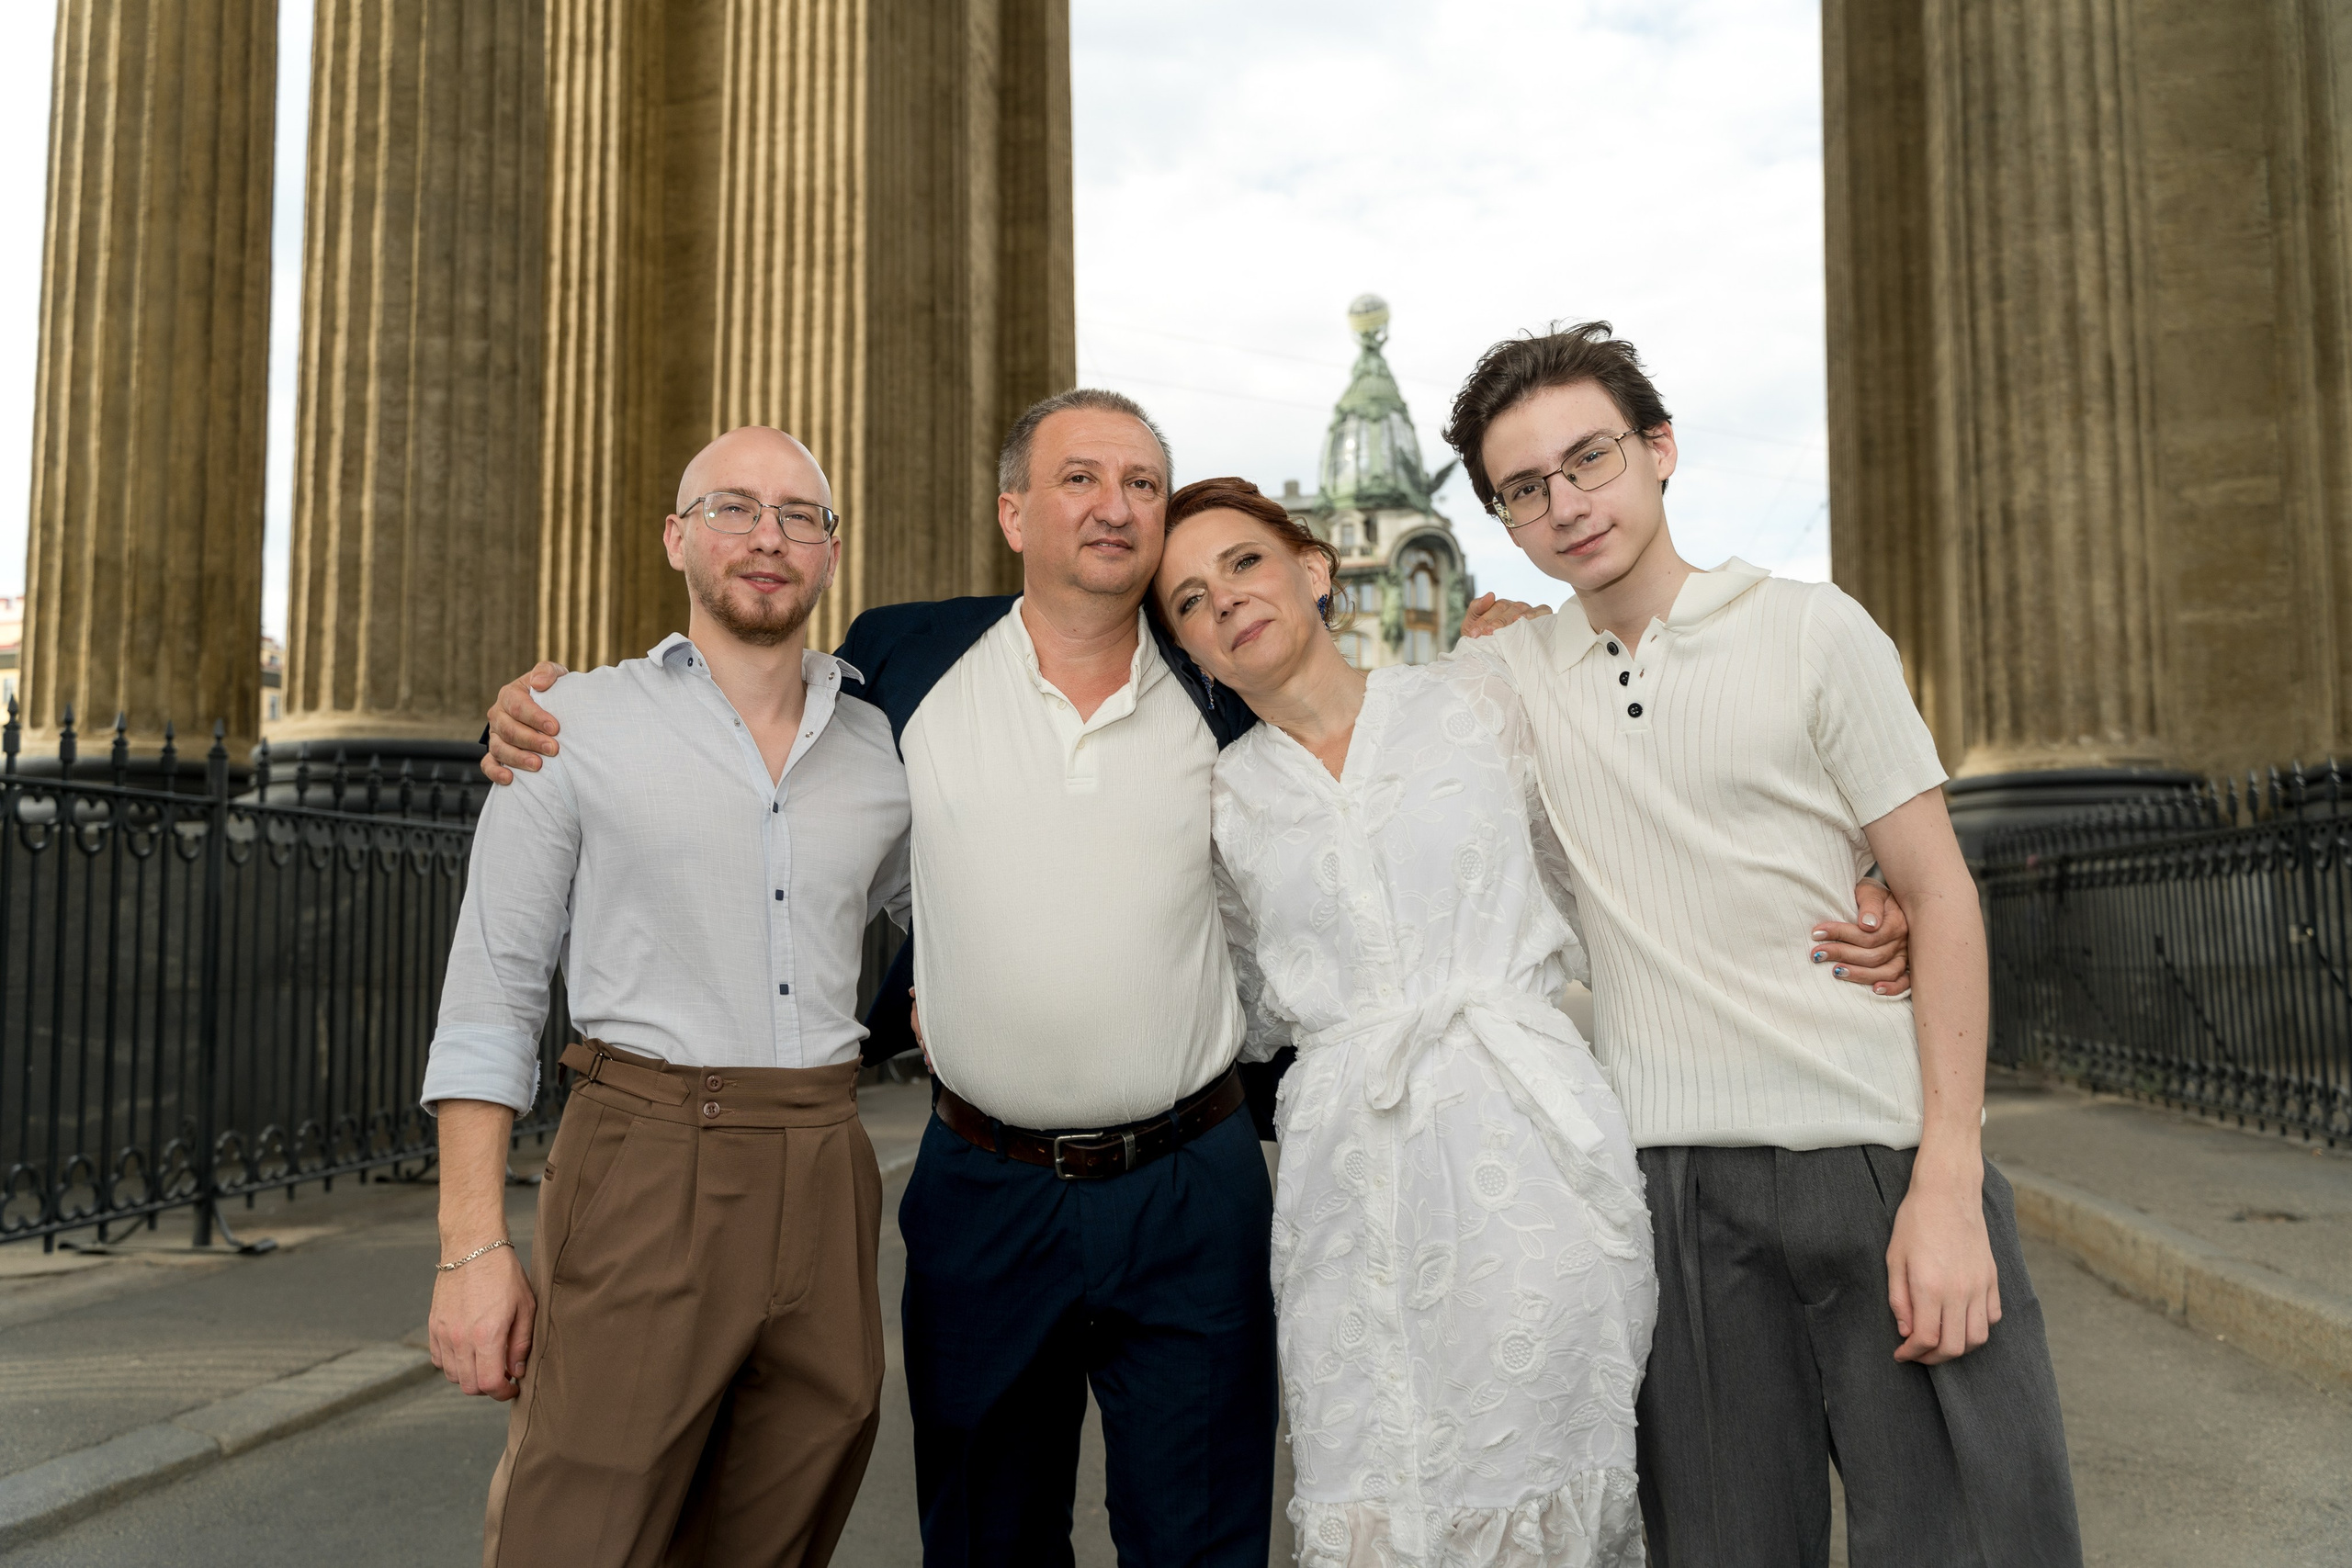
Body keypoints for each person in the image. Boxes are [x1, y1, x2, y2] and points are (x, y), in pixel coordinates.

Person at [477, 389, 1914, 1567]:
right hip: (982, 1190)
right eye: (1080, 477)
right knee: (985, 1534)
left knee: (1209, 1533)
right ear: (1014, 512)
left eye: (1144, 486)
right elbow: (754, 748)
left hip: (1195, 1182)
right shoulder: (898, 666)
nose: (1117, 507)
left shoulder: (1226, 684)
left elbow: (1593, 792)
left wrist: (1865, 869)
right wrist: (568, 714)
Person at [1444, 322, 2083, 1567]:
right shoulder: (1505, 679)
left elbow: (1937, 892)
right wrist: (1481, 636)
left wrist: (1948, 1180)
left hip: (1876, 1152)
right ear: (1502, 517)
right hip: (1669, 1184)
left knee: (1970, 1535)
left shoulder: (1811, 628)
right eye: (1527, 488)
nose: (1569, 504)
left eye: (1593, 458)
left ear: (1661, 448)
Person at [423, 426, 911, 1568]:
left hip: (825, 1158)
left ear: (831, 555)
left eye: (801, 516)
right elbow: (490, 991)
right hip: (645, 1151)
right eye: (734, 508)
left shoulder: (879, 751)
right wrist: (470, 1249)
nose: (767, 537)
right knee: (578, 1529)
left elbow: (961, 927)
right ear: (677, 538)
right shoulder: (570, 725)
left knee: (783, 1516)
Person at [1153, 476, 1657, 1567]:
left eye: (1244, 562)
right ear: (1189, 651)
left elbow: (1632, 839)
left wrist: (1862, 885)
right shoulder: (1218, 801)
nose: (1226, 601)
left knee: (1539, 1474)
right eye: (1188, 600)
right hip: (1345, 1182)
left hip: (1522, 1147)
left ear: (1315, 568)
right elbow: (1231, 999)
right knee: (1375, 1480)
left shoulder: (1480, 695)